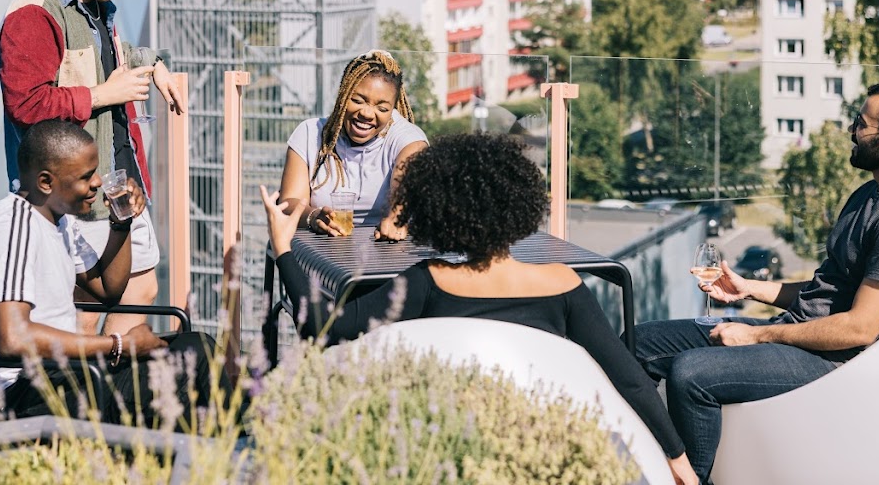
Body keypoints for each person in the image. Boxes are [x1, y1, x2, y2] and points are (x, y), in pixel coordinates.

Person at [261, 132, 700, 485]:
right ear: (519, 206)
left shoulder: (427, 281)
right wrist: (676, 456)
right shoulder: (564, 283)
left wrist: (284, 247)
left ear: (439, 211)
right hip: (544, 452)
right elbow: (631, 381)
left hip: (450, 454)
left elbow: (320, 328)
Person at [635, 82, 879, 485]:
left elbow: (860, 328)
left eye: (861, 124)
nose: (851, 131)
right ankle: (637, 464)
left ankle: (688, 478)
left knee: (690, 373)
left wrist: (757, 336)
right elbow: (829, 291)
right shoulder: (872, 193)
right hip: (801, 335)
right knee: (640, 343)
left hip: (833, 360)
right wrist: (750, 289)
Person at [0, 0, 183, 335]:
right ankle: (82, 394)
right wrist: (103, 94)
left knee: (142, 289)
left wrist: (154, 64)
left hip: (118, 179)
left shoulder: (97, 2)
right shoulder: (35, 10)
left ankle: (105, 386)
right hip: (73, 190)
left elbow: (109, 60)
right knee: (79, 312)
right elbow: (25, 104)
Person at [0, 120, 209, 426]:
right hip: (8, 402)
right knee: (171, 383)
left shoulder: (60, 222)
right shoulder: (13, 228)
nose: (98, 183)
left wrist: (121, 223)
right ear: (46, 182)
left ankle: (211, 460)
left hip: (60, 376)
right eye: (86, 176)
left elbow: (108, 291)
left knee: (196, 348)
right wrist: (119, 346)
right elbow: (12, 338)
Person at [278, 49, 427, 241]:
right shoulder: (310, 133)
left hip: (386, 257)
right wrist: (314, 217)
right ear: (343, 94)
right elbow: (289, 201)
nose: (367, 113)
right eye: (357, 100)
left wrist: (396, 218)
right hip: (318, 256)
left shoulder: (408, 140)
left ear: (393, 107)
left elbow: (404, 190)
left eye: (382, 108)